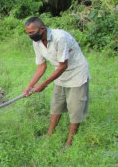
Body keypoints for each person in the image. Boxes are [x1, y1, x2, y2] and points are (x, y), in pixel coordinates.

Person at [23, 17, 90, 146]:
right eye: (28, 33)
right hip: (59, 75)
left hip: (77, 74)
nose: (30, 35)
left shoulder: (60, 37)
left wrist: (43, 84)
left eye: (32, 32)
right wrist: (29, 87)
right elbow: (42, 67)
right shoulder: (36, 42)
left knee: (75, 108)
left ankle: (70, 142)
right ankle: (50, 134)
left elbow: (63, 65)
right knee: (56, 105)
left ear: (42, 29)